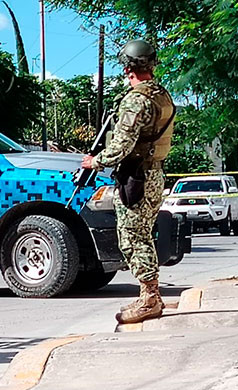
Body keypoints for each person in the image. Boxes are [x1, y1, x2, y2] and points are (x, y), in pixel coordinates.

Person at [81, 39, 175, 324]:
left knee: (133, 237)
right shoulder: (161, 94)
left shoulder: (136, 100)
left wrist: (95, 162)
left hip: (138, 177)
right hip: (153, 173)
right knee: (142, 234)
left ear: (127, 68)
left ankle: (150, 299)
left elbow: (122, 145)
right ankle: (151, 295)